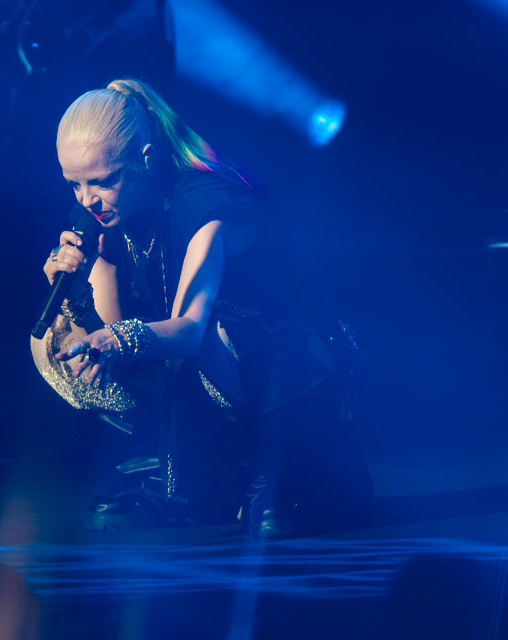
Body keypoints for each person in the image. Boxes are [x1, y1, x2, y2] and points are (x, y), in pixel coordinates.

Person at [31, 79, 372, 536]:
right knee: (54, 339)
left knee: (215, 332)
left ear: (146, 159)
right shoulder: (107, 218)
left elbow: (190, 329)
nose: (86, 199)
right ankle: (186, 473)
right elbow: (112, 340)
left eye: (103, 181)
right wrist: (79, 295)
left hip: (297, 367)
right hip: (200, 372)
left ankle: (286, 472)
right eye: (74, 184)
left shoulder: (205, 201)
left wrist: (119, 338)